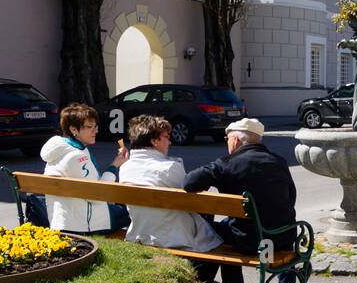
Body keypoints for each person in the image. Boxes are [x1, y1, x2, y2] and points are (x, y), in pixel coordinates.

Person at [183, 118, 299, 283]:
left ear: (235, 140)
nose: (226, 144)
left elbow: (189, 182)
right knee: (276, 220)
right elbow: (291, 198)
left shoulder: (226, 164)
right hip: (281, 239)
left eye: (227, 139)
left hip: (248, 243)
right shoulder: (280, 161)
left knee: (218, 231)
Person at [118, 114, 222, 254]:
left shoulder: (125, 167)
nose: (170, 142)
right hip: (174, 237)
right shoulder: (170, 168)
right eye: (167, 137)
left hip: (140, 233)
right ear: (154, 141)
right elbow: (192, 204)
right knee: (217, 236)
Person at [38, 103, 130, 234]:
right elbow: (97, 195)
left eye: (95, 126)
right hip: (84, 226)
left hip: (64, 221)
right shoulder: (76, 157)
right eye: (89, 127)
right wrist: (115, 165)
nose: (95, 130)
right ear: (73, 129)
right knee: (133, 211)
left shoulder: (61, 149)